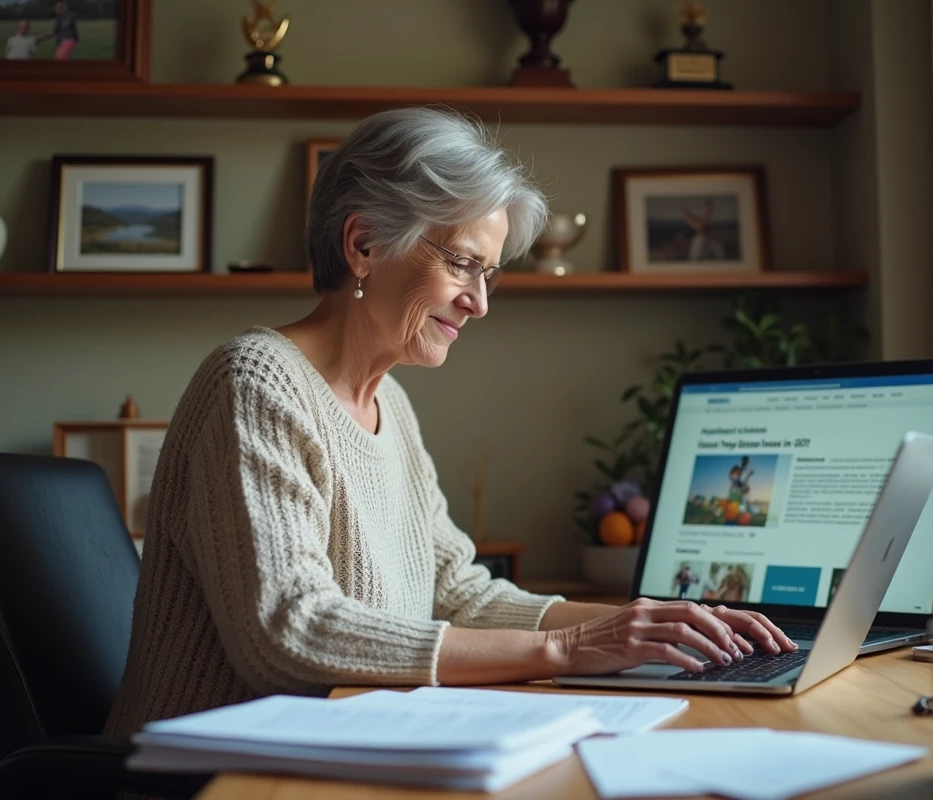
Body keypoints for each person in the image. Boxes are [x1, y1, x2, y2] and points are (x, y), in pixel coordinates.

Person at [104, 107, 797, 741]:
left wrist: (648, 622)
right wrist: (566, 649)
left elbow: (455, 592)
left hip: (346, 750)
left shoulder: (391, 405)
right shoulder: (254, 383)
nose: (480, 302)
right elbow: (289, 631)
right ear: (364, 244)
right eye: (464, 264)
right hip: (222, 777)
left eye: (489, 274)